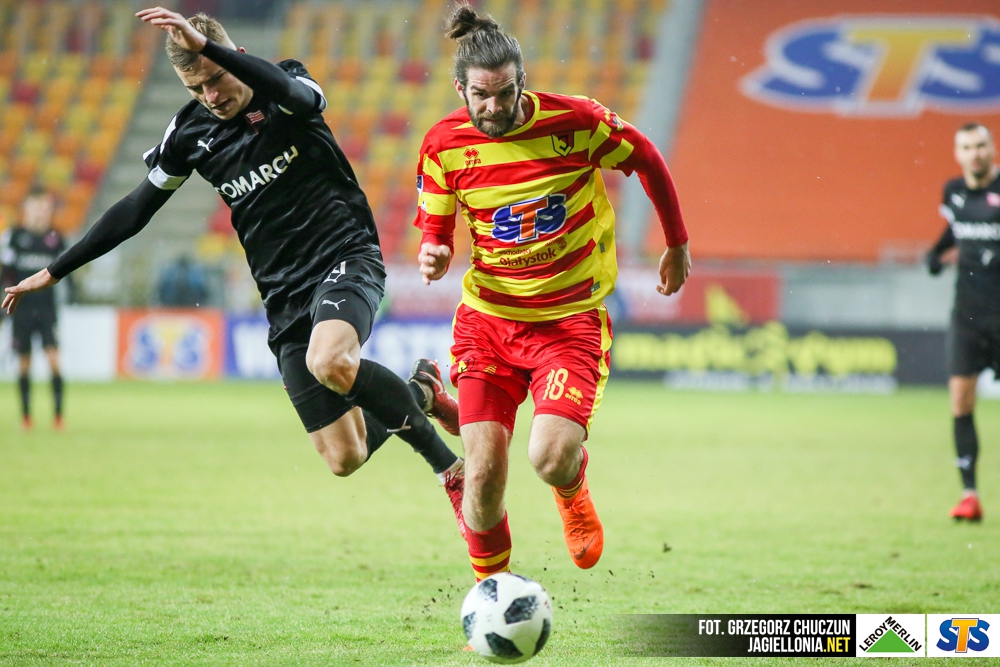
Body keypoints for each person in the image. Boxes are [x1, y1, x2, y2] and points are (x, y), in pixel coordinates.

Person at [3, 8, 466, 532]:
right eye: (195, 88)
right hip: (283, 294)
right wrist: (56, 270)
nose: (211, 96)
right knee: (346, 456)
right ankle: (422, 391)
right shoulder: (190, 133)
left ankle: (451, 470)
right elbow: (135, 209)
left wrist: (212, 50)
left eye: (216, 78)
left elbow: (293, 93)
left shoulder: (285, 84)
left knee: (330, 359)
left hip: (346, 255)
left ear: (234, 57)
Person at [413, 4, 690, 580]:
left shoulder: (577, 122)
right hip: (489, 321)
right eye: (481, 96)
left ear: (522, 81)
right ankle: (493, 596)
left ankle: (571, 485)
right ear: (460, 89)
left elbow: (647, 158)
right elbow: (435, 231)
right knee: (483, 475)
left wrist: (677, 243)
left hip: (569, 323)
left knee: (549, 457)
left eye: (505, 93)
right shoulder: (442, 145)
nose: (494, 108)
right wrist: (433, 253)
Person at [926, 121, 1000, 523]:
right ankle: (969, 494)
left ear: (992, 148)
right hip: (968, 315)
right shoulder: (952, 192)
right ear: (958, 154)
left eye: (981, 145)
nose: (975, 153)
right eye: (968, 147)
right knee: (960, 400)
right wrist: (935, 253)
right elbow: (957, 229)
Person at [0, 186, 68, 430]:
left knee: (54, 362)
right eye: (38, 206)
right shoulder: (14, 237)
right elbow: (5, 275)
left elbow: (67, 273)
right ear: (27, 209)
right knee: (24, 364)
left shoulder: (56, 239)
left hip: (47, 310)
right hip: (22, 311)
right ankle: (26, 417)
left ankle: (58, 417)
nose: (42, 211)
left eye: (46, 207)